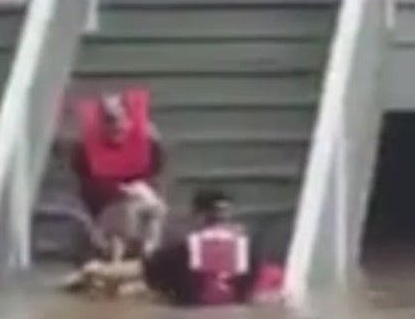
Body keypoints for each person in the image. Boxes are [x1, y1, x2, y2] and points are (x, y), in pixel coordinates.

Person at [71, 89, 168, 260]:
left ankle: (148, 251)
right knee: (128, 210)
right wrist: (117, 190)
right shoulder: (87, 148)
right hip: (106, 205)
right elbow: (86, 182)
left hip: (140, 197)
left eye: (117, 120)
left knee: (154, 208)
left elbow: (156, 169)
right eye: (107, 121)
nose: (114, 127)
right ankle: (119, 251)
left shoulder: (143, 139)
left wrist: (155, 142)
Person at [143, 189, 280, 306]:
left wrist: (152, 234)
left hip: (193, 316)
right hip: (235, 317)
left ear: (197, 216)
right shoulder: (247, 251)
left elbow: (154, 283)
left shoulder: (179, 253)